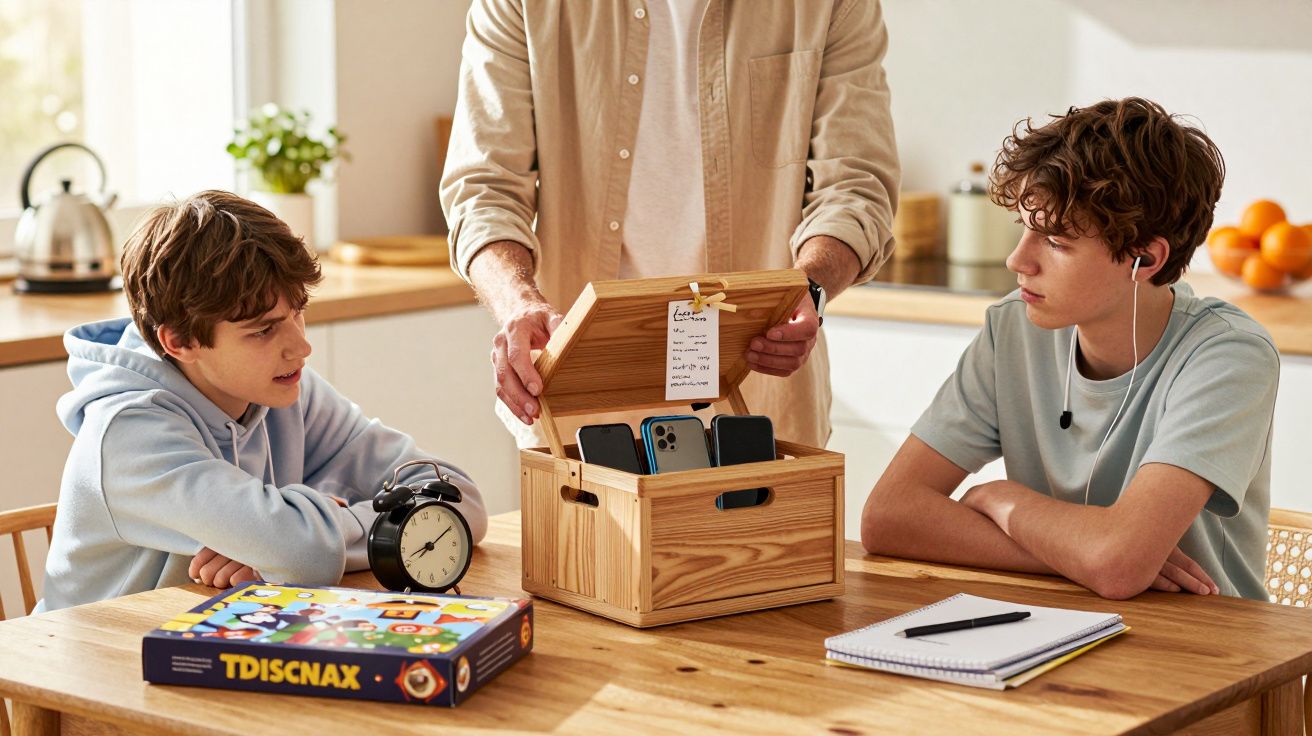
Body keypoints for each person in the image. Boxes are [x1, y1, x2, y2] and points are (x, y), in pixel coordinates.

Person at [861, 97, 1278, 601]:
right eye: (1025, 229)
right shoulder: (1013, 329)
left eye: (1055, 241)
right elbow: (888, 516)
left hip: (1209, 651)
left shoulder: (1228, 357)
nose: (1018, 261)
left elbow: (1119, 565)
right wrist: (1084, 553)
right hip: (1056, 629)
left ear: (1144, 259)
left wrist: (1004, 499)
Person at [440, 0, 900, 448]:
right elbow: (483, 190)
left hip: (759, 406)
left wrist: (808, 287)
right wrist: (518, 302)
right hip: (577, 412)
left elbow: (856, 187)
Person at [37, 190, 487, 612]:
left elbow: (461, 499)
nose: (300, 347)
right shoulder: (128, 433)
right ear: (179, 342)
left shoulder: (285, 391)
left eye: (297, 312)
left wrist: (283, 540)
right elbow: (300, 551)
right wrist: (290, 541)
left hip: (221, 647)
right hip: (94, 672)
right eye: (263, 330)